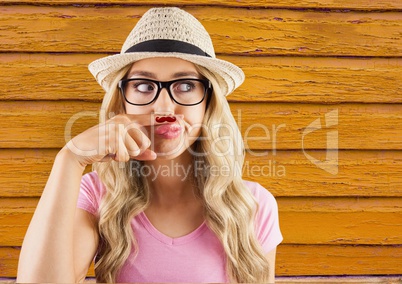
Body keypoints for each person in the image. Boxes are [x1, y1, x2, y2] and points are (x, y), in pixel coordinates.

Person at [17, 7, 282, 283]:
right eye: (144, 86)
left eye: (186, 85)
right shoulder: (96, 196)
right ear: (122, 100)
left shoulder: (253, 205)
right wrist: (70, 159)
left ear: (208, 102)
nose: (164, 106)